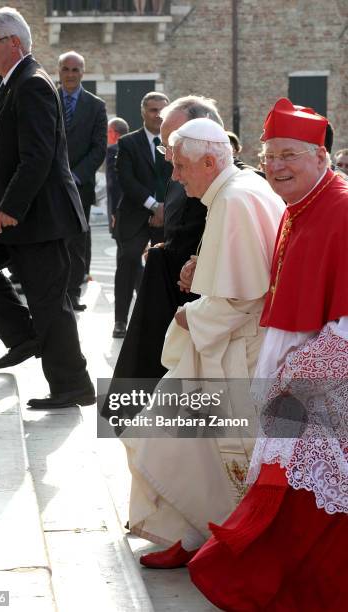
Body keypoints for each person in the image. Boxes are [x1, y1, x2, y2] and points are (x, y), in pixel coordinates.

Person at [189, 98, 348, 610]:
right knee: (288, 495)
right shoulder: (299, 205)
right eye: (270, 155)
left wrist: (295, 373)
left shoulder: (341, 210)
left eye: (289, 156)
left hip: (321, 383)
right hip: (293, 377)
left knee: (304, 503)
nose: (275, 166)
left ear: (320, 158)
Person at [122, 117, 284, 568]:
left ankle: (205, 537)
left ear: (210, 161)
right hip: (227, 344)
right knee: (171, 440)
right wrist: (203, 265)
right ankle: (188, 534)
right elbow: (241, 265)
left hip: (235, 348)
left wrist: (187, 313)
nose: (173, 176)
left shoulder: (234, 199)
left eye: (179, 167)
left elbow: (241, 295)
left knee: (173, 441)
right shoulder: (238, 190)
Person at [0, 7, 95, 410]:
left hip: (37, 217)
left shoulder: (32, 84)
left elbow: (37, 156)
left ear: (13, 43)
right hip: (12, 215)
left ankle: (73, 385)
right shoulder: (11, 82)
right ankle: (22, 335)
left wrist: (12, 206)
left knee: (50, 303)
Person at [101, 96, 223, 420]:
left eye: (174, 146)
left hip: (197, 297)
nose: (169, 158)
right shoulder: (178, 169)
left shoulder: (231, 189)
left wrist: (195, 260)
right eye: (166, 147)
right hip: (170, 279)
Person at [113, 91, 171, 338]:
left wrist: (165, 207)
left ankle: (162, 321)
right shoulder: (127, 143)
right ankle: (120, 321)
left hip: (168, 214)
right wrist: (153, 205)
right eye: (153, 110)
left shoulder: (176, 143)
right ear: (143, 112)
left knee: (164, 267)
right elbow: (126, 179)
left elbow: (180, 177)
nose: (158, 115)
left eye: (162, 110)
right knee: (128, 260)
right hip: (135, 213)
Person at [58, 51, 107, 310]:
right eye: (65, 69)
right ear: (59, 72)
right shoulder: (47, 100)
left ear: (82, 73)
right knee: (53, 237)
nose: (70, 74)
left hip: (80, 184)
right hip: (50, 184)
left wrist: (75, 176)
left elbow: (99, 148)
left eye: (75, 69)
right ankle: (54, 291)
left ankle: (73, 292)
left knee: (76, 239)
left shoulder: (96, 106)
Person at [106, 116, 129, 236]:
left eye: (107, 132)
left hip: (119, 209)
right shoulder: (133, 148)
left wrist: (114, 212)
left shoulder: (112, 151)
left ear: (113, 133)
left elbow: (113, 184)